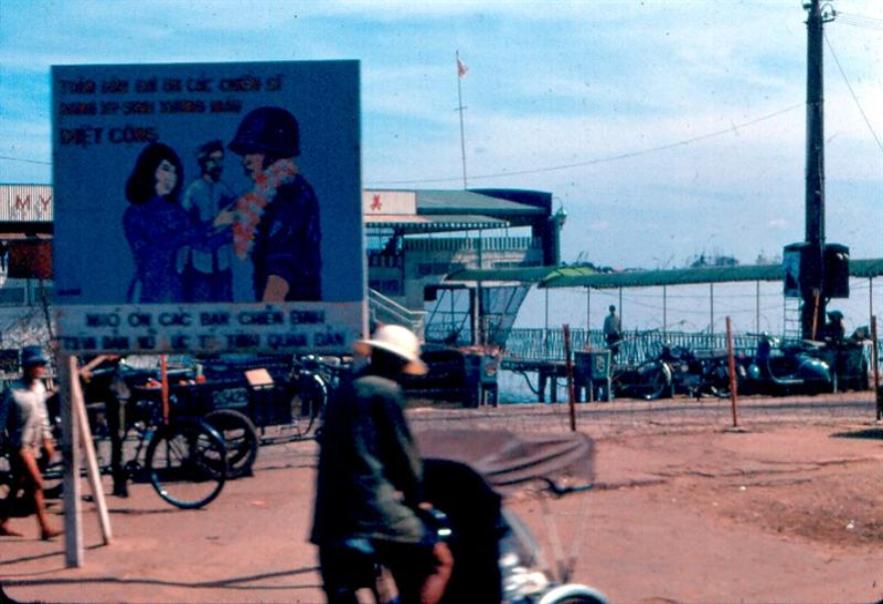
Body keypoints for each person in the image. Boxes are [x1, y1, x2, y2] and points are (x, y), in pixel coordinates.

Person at [310, 325, 452, 603]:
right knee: (440, 562)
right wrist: (418, 500)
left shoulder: (343, 391)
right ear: (400, 364)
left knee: (341, 587)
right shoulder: (385, 391)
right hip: (373, 512)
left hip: (329, 520)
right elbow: (404, 458)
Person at [228, 106, 322, 302]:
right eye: (244, 153)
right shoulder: (268, 195)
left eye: (254, 151)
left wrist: (267, 312)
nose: (245, 161)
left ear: (274, 154)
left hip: (290, 309)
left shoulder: (290, 194)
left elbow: (282, 266)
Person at [123, 142, 233, 303]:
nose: (171, 177)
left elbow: (202, 245)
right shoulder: (136, 213)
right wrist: (212, 224)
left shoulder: (176, 212)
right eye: (166, 169)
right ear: (149, 170)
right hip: (147, 290)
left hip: (175, 291)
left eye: (175, 171)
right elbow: (158, 246)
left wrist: (231, 233)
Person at [0, 345, 61, 540]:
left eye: (41, 365)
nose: (39, 369)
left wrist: (47, 438)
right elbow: (1, 420)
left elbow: (43, 416)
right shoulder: (13, 392)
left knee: (17, 483)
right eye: (35, 365)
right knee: (36, 483)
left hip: (35, 444)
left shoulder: (40, 389)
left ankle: (3, 521)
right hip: (19, 445)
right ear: (26, 367)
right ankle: (45, 528)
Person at [180, 140, 236, 302]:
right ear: (203, 162)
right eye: (213, 160)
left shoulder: (224, 189)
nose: (218, 164)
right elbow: (185, 230)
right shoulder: (193, 191)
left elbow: (237, 218)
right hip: (199, 265)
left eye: (220, 159)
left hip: (223, 263)